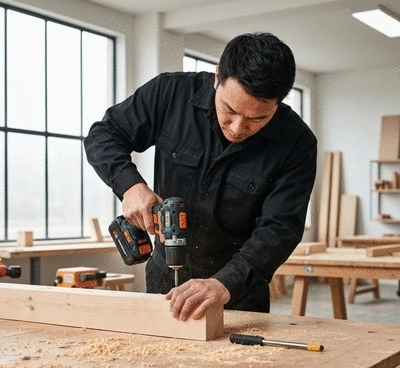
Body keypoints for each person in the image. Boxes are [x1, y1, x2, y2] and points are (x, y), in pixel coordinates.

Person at [84, 32, 317, 321]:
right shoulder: (171, 94)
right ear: (218, 76)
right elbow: (103, 135)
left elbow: (279, 229)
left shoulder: (296, 143)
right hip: (163, 281)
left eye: (257, 119)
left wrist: (225, 283)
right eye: (229, 110)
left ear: (279, 103)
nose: (237, 128)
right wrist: (130, 185)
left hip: (237, 293)